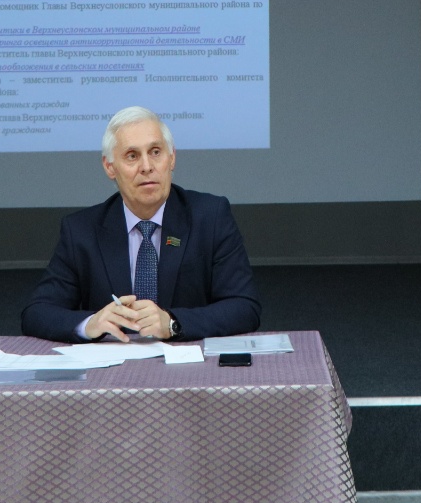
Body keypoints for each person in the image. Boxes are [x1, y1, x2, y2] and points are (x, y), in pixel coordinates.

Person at [22, 106, 261, 342]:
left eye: (155, 152)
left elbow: (244, 307)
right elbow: (36, 313)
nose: (147, 167)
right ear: (110, 167)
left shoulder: (210, 217)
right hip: (114, 363)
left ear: (172, 158)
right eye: (132, 156)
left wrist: (172, 323)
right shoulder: (81, 231)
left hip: (188, 362)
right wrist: (90, 323)